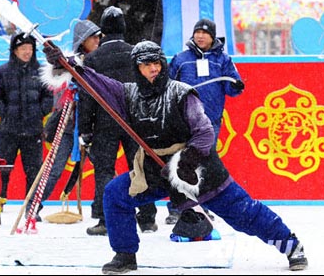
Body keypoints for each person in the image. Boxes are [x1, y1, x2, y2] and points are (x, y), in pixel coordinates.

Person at [43, 40, 308, 274]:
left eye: (156, 63)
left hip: (196, 169)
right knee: (115, 194)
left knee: (243, 213)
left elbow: (204, 132)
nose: (153, 69)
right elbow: (97, 83)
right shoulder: (128, 94)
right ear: (137, 68)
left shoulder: (181, 92)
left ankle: (291, 246)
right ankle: (124, 255)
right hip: (155, 170)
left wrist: (188, 162)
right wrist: (69, 66)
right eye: (146, 65)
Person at [78, 6, 158, 235]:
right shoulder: (135, 54)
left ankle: (105, 219)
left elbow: (87, 95)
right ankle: (147, 217)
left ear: (103, 31)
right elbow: (148, 89)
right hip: (134, 121)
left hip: (105, 120)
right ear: (123, 28)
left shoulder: (93, 59)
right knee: (140, 167)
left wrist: (85, 128)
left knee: (104, 170)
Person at [167, 18, 245, 224]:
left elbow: (232, 87)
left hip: (210, 123)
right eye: (197, 32)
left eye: (205, 33)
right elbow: (167, 85)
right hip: (183, 121)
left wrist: (236, 85)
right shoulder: (181, 59)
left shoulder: (223, 60)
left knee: (202, 163)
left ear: (213, 36)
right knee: (179, 161)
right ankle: (176, 207)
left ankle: (202, 206)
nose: (200, 36)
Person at [26, 19, 102, 222]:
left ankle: (101, 208)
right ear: (82, 40)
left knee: (103, 167)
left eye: (98, 36)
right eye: (92, 37)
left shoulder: (102, 60)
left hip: (94, 124)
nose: (97, 40)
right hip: (69, 124)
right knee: (54, 168)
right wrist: (56, 60)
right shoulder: (69, 61)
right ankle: (33, 206)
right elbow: (56, 73)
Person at [0, 32, 53, 211]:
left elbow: (48, 96)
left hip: (33, 131)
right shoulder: (3, 71)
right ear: (14, 51)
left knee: (33, 171)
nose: (27, 52)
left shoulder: (41, 72)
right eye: (23, 48)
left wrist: (39, 111)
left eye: (30, 49)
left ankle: (32, 207)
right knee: (3, 169)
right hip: (9, 130)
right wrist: (5, 112)